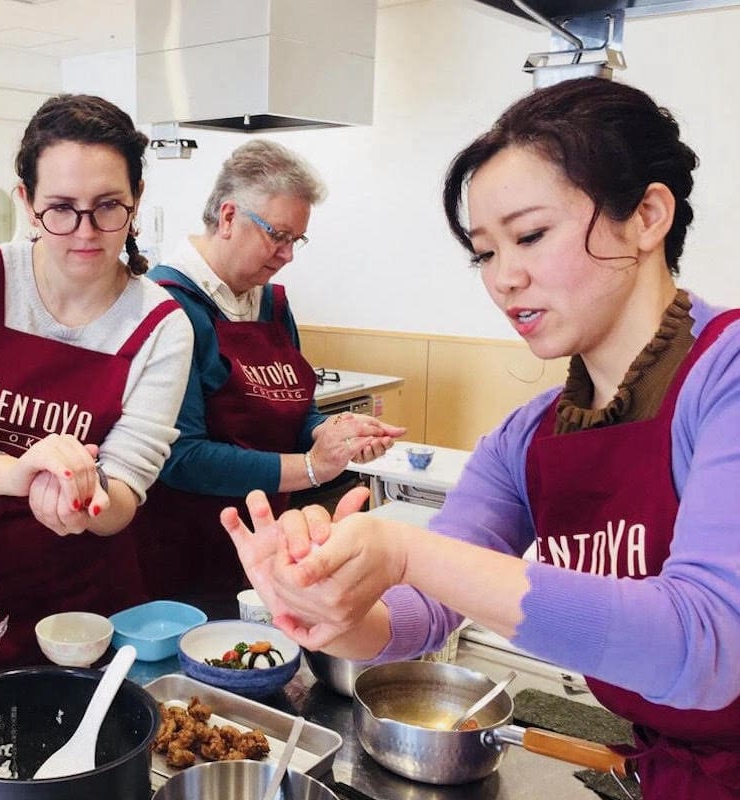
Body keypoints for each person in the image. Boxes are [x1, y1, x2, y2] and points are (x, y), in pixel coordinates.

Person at [225, 77, 740, 798]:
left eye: (530, 236)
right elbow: (426, 615)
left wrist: (403, 549)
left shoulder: (726, 379)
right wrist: (326, 601)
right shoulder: (527, 438)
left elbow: (707, 643)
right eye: (485, 253)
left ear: (649, 215)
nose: (505, 279)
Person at [0, 94, 193, 705]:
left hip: (76, 596)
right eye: (60, 210)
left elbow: (126, 485)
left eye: (107, 209)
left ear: (137, 199)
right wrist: (12, 473)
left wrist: (86, 501)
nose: (84, 232)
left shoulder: (161, 324)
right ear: (25, 201)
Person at [131, 140, 404, 599]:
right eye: (277, 235)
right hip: (181, 550)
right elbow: (182, 459)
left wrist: (332, 433)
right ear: (229, 216)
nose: (287, 255)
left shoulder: (272, 304)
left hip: (266, 540)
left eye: (296, 240)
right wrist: (312, 469)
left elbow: (294, 416)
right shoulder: (167, 303)